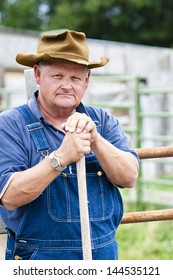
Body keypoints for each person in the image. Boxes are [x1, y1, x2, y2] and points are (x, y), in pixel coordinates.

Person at [0, 30, 139, 260]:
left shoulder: (102, 121)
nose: (67, 85)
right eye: (57, 76)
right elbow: (10, 195)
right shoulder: (10, 125)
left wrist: (95, 139)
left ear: (87, 81)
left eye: (75, 78)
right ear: (37, 74)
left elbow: (129, 177)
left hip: (102, 257)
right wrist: (61, 157)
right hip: (38, 260)